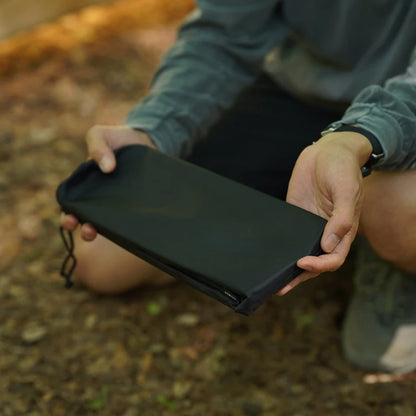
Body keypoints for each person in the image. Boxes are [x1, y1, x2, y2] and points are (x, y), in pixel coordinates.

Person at [61, 0, 416, 374]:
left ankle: (395, 258)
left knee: (396, 206)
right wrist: (152, 129)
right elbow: (221, 34)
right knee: (101, 261)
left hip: (404, 111)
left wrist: (358, 138)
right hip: (300, 95)